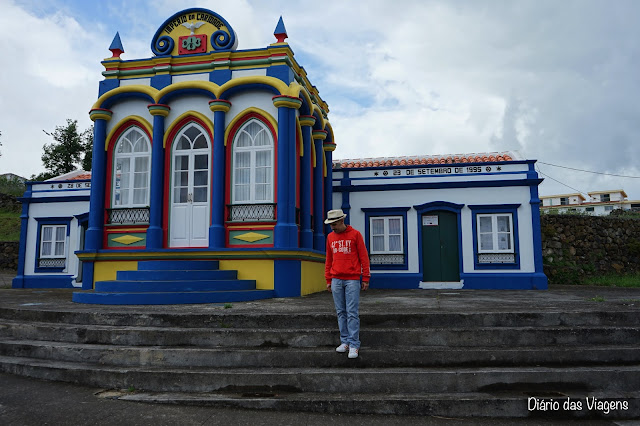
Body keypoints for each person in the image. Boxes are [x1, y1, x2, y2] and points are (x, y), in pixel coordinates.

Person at [324, 209, 370, 359]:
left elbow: (364, 257)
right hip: (336, 278)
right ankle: (345, 342)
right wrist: (328, 279)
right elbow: (328, 259)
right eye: (330, 224)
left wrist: (366, 278)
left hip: (352, 278)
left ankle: (354, 344)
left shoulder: (355, 235)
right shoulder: (330, 237)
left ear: (342, 221)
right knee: (340, 312)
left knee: (352, 312)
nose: (332, 227)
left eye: (334, 224)